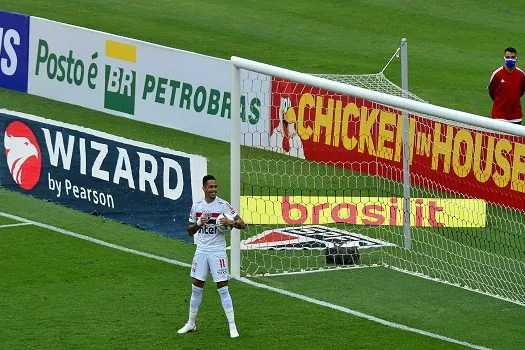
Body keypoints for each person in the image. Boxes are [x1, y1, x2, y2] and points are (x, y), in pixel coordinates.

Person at [177, 174, 246, 338]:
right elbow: (189, 231)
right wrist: (199, 223)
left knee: (223, 287)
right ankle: (191, 323)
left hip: (218, 251)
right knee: (196, 286)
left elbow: (243, 224)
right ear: (204, 188)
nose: (214, 189)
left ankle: (232, 326)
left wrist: (232, 223)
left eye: (215, 187)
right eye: (210, 187)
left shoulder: (224, 206)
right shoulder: (197, 206)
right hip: (201, 250)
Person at [488, 47, 525, 125]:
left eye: (512, 57)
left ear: (516, 58)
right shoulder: (497, 74)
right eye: (508, 57)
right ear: (504, 58)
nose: (510, 59)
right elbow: (491, 91)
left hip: (516, 117)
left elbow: (521, 92)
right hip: (499, 116)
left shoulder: (521, 75)